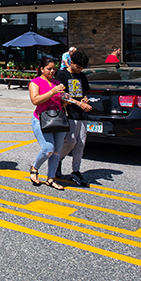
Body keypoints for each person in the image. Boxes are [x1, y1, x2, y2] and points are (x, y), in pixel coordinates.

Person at [54, 50, 93, 186]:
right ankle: (57, 160)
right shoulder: (62, 74)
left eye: (82, 68)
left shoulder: (82, 76)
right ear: (72, 63)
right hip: (69, 113)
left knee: (81, 143)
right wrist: (78, 103)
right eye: (78, 67)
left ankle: (76, 170)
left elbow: (84, 92)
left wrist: (85, 99)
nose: (80, 70)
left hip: (82, 114)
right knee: (70, 141)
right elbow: (62, 94)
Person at [29, 57, 68, 190]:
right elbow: (35, 100)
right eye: (49, 69)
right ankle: (34, 168)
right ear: (41, 69)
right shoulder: (35, 82)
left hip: (58, 119)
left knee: (57, 151)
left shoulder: (57, 83)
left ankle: (51, 178)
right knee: (48, 149)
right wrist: (52, 92)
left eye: (54, 69)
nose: (52, 71)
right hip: (41, 119)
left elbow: (60, 102)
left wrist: (65, 100)